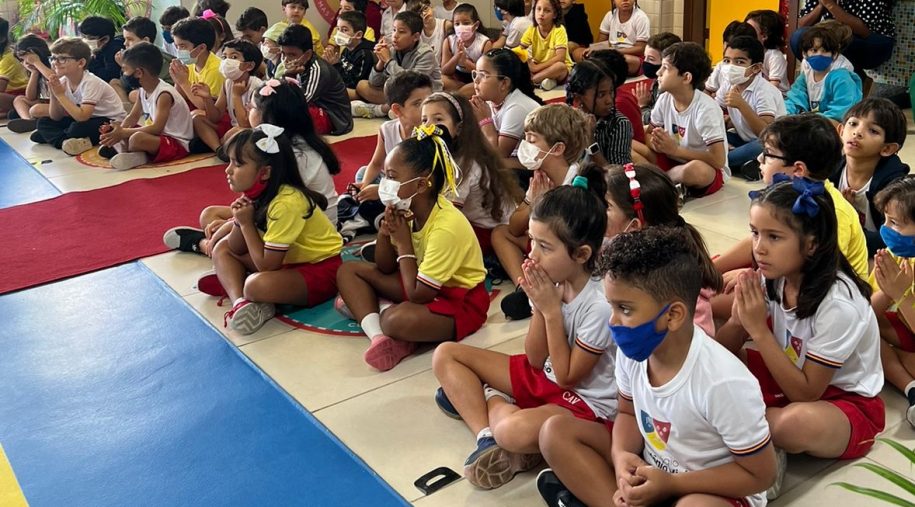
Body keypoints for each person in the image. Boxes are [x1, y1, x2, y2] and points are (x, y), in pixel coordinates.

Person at [537, 226, 775, 507]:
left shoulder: (723, 381)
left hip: (710, 488)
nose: (612, 321)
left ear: (673, 315)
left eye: (625, 309)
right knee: (554, 433)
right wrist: (621, 456)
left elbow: (761, 476)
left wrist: (672, 484)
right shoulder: (633, 352)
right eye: (611, 306)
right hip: (653, 469)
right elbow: (627, 412)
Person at [432, 171, 615, 490]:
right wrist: (541, 307)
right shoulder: (551, 279)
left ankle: (490, 399)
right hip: (545, 375)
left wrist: (551, 311)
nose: (531, 254)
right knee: (446, 355)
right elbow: (534, 359)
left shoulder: (599, 304)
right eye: (532, 241)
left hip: (583, 403)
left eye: (545, 246)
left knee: (511, 431)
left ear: (582, 254)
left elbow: (567, 377)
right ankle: (485, 437)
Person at [717, 178, 884, 498]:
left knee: (792, 424)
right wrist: (738, 322)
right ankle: (754, 437)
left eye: (774, 237)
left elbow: (807, 393)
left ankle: (757, 443)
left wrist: (758, 331)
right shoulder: (776, 275)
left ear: (811, 244)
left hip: (845, 402)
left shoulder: (838, 304)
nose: (758, 248)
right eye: (755, 233)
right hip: (790, 372)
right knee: (718, 366)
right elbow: (722, 351)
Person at [335, 125, 489, 371]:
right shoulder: (407, 207)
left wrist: (404, 242)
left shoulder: (446, 226)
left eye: (392, 177)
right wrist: (385, 232)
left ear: (421, 184)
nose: (385, 184)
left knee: (394, 319)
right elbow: (385, 266)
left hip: (459, 301)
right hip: (418, 281)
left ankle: (383, 315)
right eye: (385, 176)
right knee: (348, 271)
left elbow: (419, 295)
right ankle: (380, 339)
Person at [712, 113, 870, 320]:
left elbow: (818, 269)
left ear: (798, 169)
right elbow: (755, 241)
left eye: (768, 154)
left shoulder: (829, 211)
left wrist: (755, 277)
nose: (759, 159)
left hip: (814, 293)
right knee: (710, 271)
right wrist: (712, 269)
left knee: (707, 301)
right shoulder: (788, 194)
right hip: (785, 269)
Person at [165, 79, 341, 255]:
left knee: (227, 246)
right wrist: (233, 222)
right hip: (287, 213)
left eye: (253, 107)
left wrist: (231, 225)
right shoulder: (298, 142)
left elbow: (278, 207)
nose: (248, 108)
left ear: (269, 116)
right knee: (209, 215)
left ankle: (205, 245)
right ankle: (214, 242)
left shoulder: (286, 155)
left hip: (305, 227)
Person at [207, 125, 344, 335]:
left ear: (265, 172)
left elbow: (267, 266)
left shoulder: (286, 202)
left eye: (238, 164)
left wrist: (246, 224)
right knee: (222, 248)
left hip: (322, 270)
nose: (228, 170)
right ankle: (240, 303)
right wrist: (239, 221)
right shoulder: (257, 193)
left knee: (255, 285)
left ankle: (249, 291)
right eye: (230, 162)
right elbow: (235, 247)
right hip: (287, 264)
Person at [494, 104, 593, 321]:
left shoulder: (577, 182)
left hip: (564, 249)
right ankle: (525, 286)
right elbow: (514, 228)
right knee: (500, 233)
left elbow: (564, 236)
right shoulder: (540, 177)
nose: (524, 145)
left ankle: (541, 287)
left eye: (531, 140)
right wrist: (532, 201)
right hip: (541, 243)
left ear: (557, 149)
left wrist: (542, 206)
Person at [421, 92, 523, 255]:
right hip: (471, 221)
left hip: (488, 231)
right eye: (424, 120)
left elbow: (448, 216)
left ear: (459, 128)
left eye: (438, 119)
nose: (429, 127)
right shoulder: (445, 153)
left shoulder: (463, 165)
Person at [829, 98, 909, 256]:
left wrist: (846, 218)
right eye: (853, 123)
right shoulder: (830, 170)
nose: (857, 132)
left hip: (878, 256)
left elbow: (890, 241)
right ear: (841, 131)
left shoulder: (894, 187)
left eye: (873, 130)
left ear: (887, 148)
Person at [648, 41, 728, 196]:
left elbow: (718, 160)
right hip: (672, 159)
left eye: (665, 68)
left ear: (686, 77)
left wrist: (676, 150)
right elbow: (649, 133)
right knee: (634, 147)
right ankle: (667, 183)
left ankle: (658, 183)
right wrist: (657, 144)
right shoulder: (664, 98)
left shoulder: (706, 109)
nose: (658, 72)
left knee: (694, 170)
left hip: (706, 168)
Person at [97, 42, 194, 170]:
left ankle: (137, 155)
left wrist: (123, 133)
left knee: (136, 138)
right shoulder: (143, 90)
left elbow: (156, 128)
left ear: (138, 73)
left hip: (176, 143)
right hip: (158, 137)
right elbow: (132, 117)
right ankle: (126, 150)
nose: (123, 74)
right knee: (125, 127)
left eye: (125, 70)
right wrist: (118, 130)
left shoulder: (164, 94)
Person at [869, 176, 915, 428]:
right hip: (906, 327)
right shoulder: (898, 255)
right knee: (865, 334)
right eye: (886, 220)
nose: (885, 229)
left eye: (895, 223)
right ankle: (911, 389)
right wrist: (888, 290)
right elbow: (866, 315)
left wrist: (901, 294)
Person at [33, 38, 126, 156]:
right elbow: (56, 117)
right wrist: (54, 94)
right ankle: (65, 140)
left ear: (81, 63)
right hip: (86, 119)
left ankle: (58, 137)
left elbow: (82, 117)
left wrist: (60, 95)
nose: (55, 63)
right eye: (53, 58)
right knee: (43, 122)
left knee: (76, 128)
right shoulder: (63, 81)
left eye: (62, 59)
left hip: (110, 121)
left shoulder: (91, 82)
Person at [715, 35, 786, 170]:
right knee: (711, 139)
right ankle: (742, 162)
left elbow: (766, 134)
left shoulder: (764, 90)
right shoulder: (728, 84)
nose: (731, 66)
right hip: (742, 139)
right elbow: (714, 109)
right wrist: (722, 121)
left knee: (761, 146)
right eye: (727, 60)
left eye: (739, 62)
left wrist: (742, 105)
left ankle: (723, 161)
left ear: (756, 68)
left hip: (768, 143)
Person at [355, 10, 442, 118]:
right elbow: (374, 83)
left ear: (415, 37)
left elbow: (411, 84)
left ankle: (379, 110)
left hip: (421, 97)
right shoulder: (393, 49)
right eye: (394, 30)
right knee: (362, 85)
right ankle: (395, 110)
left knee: (412, 98)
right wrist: (381, 62)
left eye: (401, 32)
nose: (395, 36)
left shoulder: (426, 53)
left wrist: (388, 61)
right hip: (400, 93)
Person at [469, 48, 543, 170]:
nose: (476, 80)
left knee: (487, 165)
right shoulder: (490, 102)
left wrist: (485, 121)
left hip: (538, 166)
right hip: (517, 158)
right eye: (475, 74)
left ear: (504, 83)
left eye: (483, 75)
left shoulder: (516, 107)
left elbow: (498, 155)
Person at [192, 37, 263, 156]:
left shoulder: (257, 86)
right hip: (234, 129)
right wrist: (207, 98)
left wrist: (236, 96)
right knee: (197, 119)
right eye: (224, 57)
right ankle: (219, 149)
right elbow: (215, 117)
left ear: (249, 66)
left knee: (238, 132)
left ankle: (220, 144)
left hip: (250, 131)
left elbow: (245, 124)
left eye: (234, 57)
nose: (226, 61)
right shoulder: (228, 83)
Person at [279, 24, 353, 135]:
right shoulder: (297, 64)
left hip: (333, 117)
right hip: (312, 105)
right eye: (283, 54)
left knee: (289, 114)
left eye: (292, 54)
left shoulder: (318, 69)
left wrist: (289, 75)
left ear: (307, 54)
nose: (286, 59)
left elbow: (301, 101)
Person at [785, 25, 862, 123]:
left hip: (834, 125)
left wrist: (809, 120)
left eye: (825, 50)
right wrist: (785, 115)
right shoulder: (805, 76)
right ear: (805, 54)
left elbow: (840, 112)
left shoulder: (842, 78)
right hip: (813, 123)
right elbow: (794, 99)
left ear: (834, 55)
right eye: (814, 50)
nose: (819, 54)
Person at [791, 0, 895, 73]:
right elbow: (801, 24)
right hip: (837, 38)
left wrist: (830, 4)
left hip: (875, 44)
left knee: (837, 41)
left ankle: (856, 79)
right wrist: (821, 6)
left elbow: (864, 31)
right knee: (798, 37)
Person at [566, 59, 634, 166]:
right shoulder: (568, 120)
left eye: (611, 92)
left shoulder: (619, 124)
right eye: (601, 95)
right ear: (578, 98)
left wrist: (591, 142)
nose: (609, 100)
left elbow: (617, 173)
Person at [112, 16, 176, 108]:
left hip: (164, 92)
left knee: (134, 94)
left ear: (145, 41)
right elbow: (126, 84)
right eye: (125, 39)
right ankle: (127, 109)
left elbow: (144, 85)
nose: (125, 43)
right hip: (143, 88)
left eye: (130, 39)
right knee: (114, 82)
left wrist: (124, 66)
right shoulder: (136, 56)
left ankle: (134, 110)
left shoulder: (157, 58)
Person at [168, 17, 225, 113]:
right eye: (177, 46)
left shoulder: (216, 70)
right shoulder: (190, 64)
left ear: (201, 48)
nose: (178, 51)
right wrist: (177, 80)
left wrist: (183, 82)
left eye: (183, 46)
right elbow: (179, 98)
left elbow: (206, 108)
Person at [519, 0, 572, 90]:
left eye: (547, 11)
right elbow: (520, 50)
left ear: (554, 15)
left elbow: (560, 57)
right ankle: (546, 81)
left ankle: (533, 80)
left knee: (560, 66)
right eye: (538, 9)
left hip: (556, 68)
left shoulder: (559, 30)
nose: (541, 14)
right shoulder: (532, 29)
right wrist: (528, 61)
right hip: (539, 66)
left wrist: (536, 68)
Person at [441, 3, 492, 97]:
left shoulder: (485, 43)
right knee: (441, 80)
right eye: (457, 24)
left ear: (476, 25)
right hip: (457, 78)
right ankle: (463, 92)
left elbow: (485, 74)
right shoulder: (448, 41)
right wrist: (457, 57)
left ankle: (457, 95)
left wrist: (465, 62)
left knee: (485, 84)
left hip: (476, 79)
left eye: (466, 23)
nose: (461, 27)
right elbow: (444, 71)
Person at [324, 11, 375, 99]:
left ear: (358, 35)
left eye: (344, 30)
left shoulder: (364, 54)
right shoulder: (346, 49)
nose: (339, 33)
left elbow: (354, 83)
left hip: (360, 93)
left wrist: (336, 65)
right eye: (338, 29)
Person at [634, 32, 680, 126]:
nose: (645, 62)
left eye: (651, 59)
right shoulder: (657, 81)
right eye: (645, 57)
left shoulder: (668, 87)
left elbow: (653, 121)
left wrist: (643, 106)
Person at [7, 35, 51, 133]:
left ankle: (35, 119)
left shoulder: (52, 64)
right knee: (19, 100)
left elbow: (53, 78)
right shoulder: (35, 71)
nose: (25, 63)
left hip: (59, 105)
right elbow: (30, 97)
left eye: (27, 59)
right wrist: (34, 73)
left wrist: (37, 63)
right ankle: (29, 121)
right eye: (22, 60)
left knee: (35, 110)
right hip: (45, 103)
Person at [595, 0, 649, 75]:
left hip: (634, 57)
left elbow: (641, 49)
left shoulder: (640, 17)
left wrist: (615, 51)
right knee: (580, 52)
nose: (625, 0)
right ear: (613, 1)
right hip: (612, 54)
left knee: (623, 60)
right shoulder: (610, 15)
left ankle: (600, 69)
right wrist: (592, 49)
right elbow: (601, 42)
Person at [745, 9, 789, 93]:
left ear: (764, 36)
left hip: (778, 96)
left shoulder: (775, 56)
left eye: (750, 31)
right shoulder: (751, 54)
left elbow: (773, 86)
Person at [78, 16, 125, 83]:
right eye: (83, 37)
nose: (86, 40)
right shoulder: (99, 50)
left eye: (91, 38)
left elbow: (109, 77)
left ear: (105, 39)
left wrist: (90, 61)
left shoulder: (114, 50)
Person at [405, 0, 450, 66]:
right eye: (419, 13)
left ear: (431, 6)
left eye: (425, 8)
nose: (424, 13)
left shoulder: (446, 25)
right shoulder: (415, 31)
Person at [0, 17, 27, 117]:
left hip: (20, 95)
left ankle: (17, 111)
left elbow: (1, 88)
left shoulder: (8, 58)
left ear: (2, 39)